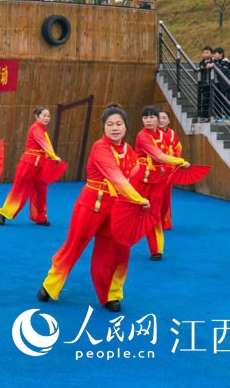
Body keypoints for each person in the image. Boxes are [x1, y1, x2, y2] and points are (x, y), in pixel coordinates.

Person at [36, 104, 149, 312]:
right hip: (91, 206)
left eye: (119, 124)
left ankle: (112, 295)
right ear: (103, 127)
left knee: (116, 252)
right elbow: (117, 178)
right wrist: (139, 199)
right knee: (74, 246)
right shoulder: (100, 148)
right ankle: (50, 284)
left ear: (126, 127)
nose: (115, 128)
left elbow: (134, 178)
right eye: (110, 124)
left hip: (116, 210)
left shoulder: (129, 150)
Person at [131, 106, 189, 261]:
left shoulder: (165, 136)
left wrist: (169, 167)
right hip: (140, 180)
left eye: (152, 117)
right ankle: (116, 240)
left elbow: (170, 152)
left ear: (158, 120)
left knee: (153, 213)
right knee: (129, 211)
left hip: (158, 180)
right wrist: (180, 161)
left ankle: (156, 250)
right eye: (145, 118)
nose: (148, 121)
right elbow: (159, 155)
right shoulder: (142, 136)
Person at [0, 106, 62, 227]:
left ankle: (40, 217)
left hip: (41, 165)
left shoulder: (42, 129)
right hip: (29, 164)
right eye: (44, 115)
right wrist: (54, 157)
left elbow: (47, 146)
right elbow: (43, 143)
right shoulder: (36, 128)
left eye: (48, 116)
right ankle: (3, 213)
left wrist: (52, 158)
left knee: (41, 191)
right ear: (37, 117)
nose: (47, 118)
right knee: (20, 191)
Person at [157, 110, 182, 231]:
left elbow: (178, 148)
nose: (161, 120)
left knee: (166, 197)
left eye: (164, 118)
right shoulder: (152, 134)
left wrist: (174, 160)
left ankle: (165, 221)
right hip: (156, 170)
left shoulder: (172, 134)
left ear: (168, 121)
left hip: (169, 170)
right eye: (159, 118)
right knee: (155, 197)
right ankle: (151, 221)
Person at [212, 47, 230, 122]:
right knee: (217, 100)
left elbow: (225, 70)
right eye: (213, 54)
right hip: (217, 84)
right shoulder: (214, 61)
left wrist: (214, 65)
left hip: (225, 84)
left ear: (221, 54)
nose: (214, 55)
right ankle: (218, 116)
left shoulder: (225, 61)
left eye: (215, 54)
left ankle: (226, 116)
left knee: (225, 100)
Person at [197, 46, 214, 120]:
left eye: (207, 52)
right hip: (204, 84)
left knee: (214, 101)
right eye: (204, 53)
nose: (205, 54)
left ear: (211, 53)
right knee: (205, 101)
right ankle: (204, 116)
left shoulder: (214, 62)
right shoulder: (201, 63)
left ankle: (215, 116)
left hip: (213, 84)